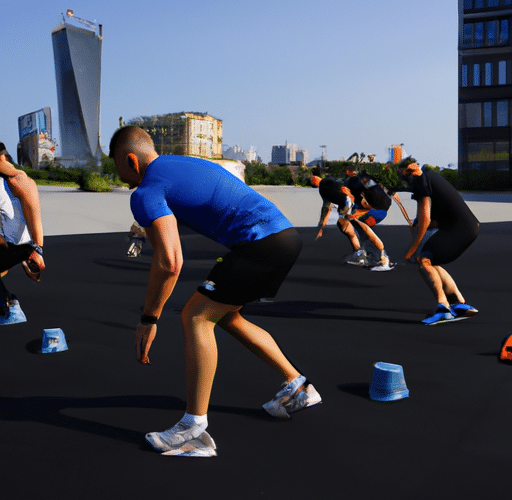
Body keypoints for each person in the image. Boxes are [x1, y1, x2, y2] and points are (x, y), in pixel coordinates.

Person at [109, 126, 321, 457]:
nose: (118, 174)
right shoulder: (180, 164)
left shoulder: (145, 190)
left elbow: (169, 263)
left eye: (116, 166)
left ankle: (193, 430)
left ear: (131, 160)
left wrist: (149, 318)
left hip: (258, 244)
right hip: (285, 238)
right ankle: (298, 386)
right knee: (225, 316)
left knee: (195, 317)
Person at [395, 157, 479, 325]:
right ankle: (459, 304)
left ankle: (443, 309)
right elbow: (431, 215)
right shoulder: (430, 176)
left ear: (407, 172)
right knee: (431, 261)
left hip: (459, 230)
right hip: (468, 227)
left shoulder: (421, 182)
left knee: (423, 261)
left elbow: (425, 218)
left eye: (402, 176)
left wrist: (413, 248)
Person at [0, 143, 45, 324]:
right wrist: (38, 248)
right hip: (28, 246)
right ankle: (9, 305)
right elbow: (35, 214)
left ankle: (9, 305)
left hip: (10, 246)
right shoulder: (23, 179)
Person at [314, 173, 393, 271]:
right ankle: (365, 255)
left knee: (360, 229)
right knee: (353, 227)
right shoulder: (354, 185)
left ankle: (379, 258)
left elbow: (331, 207)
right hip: (376, 209)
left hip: (373, 211)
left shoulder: (346, 188)